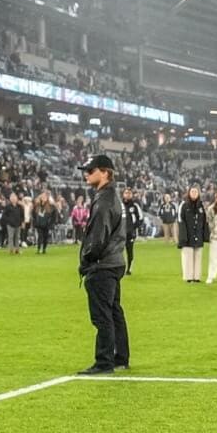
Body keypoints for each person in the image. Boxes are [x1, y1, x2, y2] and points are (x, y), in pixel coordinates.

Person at [76, 154, 129, 375]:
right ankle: (120, 356)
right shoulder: (111, 197)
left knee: (102, 315)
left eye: (91, 170)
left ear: (105, 172)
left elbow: (97, 237)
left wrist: (87, 261)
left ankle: (104, 361)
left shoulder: (104, 200)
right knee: (114, 311)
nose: (86, 174)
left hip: (103, 264)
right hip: (115, 261)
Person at [178, 185, 210, 283]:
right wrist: (183, 236)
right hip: (187, 236)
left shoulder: (201, 206)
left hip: (198, 235)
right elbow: (180, 220)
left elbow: (204, 221)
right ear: (189, 193)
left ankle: (196, 277)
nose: (194, 193)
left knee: (198, 257)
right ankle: (188, 277)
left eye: (196, 192)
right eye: (192, 191)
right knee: (188, 257)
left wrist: (205, 236)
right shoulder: (183, 205)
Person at [122, 186, 144, 275]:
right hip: (120, 233)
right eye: (126, 193)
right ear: (123, 194)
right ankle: (120, 268)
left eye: (129, 193)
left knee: (129, 251)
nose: (127, 195)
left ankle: (129, 269)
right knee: (118, 251)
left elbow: (141, 218)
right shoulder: (119, 205)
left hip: (130, 233)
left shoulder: (135, 206)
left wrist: (134, 227)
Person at [2, 192, 24, 256]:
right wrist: (9, 221)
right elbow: (4, 216)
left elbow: (22, 215)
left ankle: (17, 249)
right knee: (10, 237)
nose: (14, 199)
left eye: (15, 197)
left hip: (18, 224)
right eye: (12, 197)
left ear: (17, 198)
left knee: (17, 237)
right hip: (10, 225)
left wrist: (22, 222)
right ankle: (11, 250)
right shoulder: (8, 207)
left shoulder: (19, 206)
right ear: (10, 199)